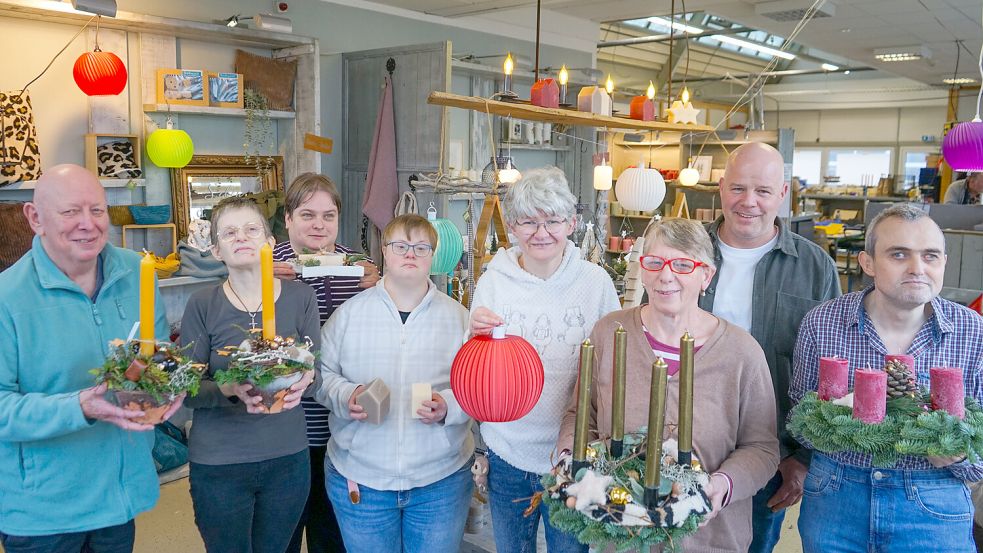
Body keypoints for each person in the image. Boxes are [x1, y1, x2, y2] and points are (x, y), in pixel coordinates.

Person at [557, 217, 780, 552]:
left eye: (682, 265)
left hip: (709, 539)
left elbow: (762, 448)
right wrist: (569, 459)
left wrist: (722, 484)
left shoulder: (741, 352)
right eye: (654, 262)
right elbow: (580, 415)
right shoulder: (609, 333)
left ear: (706, 276)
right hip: (622, 536)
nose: (665, 275)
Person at [0, 164, 175, 552]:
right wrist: (80, 406)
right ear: (35, 218)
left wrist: (168, 388)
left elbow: (158, 355)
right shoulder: (7, 298)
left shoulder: (137, 272)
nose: (88, 224)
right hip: (42, 513)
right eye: (70, 212)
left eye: (97, 210)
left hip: (119, 499)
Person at [790, 203, 983, 553]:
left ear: (944, 262)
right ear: (867, 263)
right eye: (899, 254)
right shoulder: (822, 323)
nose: (917, 268)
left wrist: (960, 457)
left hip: (934, 500)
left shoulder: (973, 332)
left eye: (930, 256)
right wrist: (833, 424)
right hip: (836, 495)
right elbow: (799, 417)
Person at [469, 167, 621, 553]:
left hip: (572, 455)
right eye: (528, 221)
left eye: (552, 221)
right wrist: (472, 336)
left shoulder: (596, 283)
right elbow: (476, 368)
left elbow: (613, 366)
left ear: (571, 223)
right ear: (512, 226)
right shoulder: (493, 281)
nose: (541, 232)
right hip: (507, 450)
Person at [699, 142, 840, 553]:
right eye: (738, 188)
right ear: (721, 187)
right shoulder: (686, 251)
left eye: (762, 191)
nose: (749, 202)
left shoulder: (814, 267)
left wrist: (804, 457)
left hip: (773, 458)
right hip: (683, 447)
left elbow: (833, 371)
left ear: (782, 194)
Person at [316, 213, 473, 552]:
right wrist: (348, 396)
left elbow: (477, 388)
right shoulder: (349, 315)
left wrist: (449, 406)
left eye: (421, 247)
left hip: (440, 483)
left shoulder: (460, 319)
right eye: (401, 246)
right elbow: (320, 375)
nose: (410, 254)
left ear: (433, 255)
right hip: (361, 480)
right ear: (384, 251)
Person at [179, 197, 319, 553]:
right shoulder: (203, 304)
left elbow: (313, 373)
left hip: (287, 458)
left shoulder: (301, 298)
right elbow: (188, 389)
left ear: (270, 242)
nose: (241, 237)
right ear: (216, 250)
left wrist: (306, 379)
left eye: (251, 229)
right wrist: (228, 388)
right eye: (229, 233)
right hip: (220, 463)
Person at [272, 173, 380, 553]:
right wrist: (258, 281)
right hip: (286, 428)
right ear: (288, 218)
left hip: (343, 428)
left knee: (332, 534)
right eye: (307, 215)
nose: (319, 224)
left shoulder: (360, 268)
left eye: (328, 215)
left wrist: (383, 284)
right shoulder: (266, 266)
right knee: (283, 533)